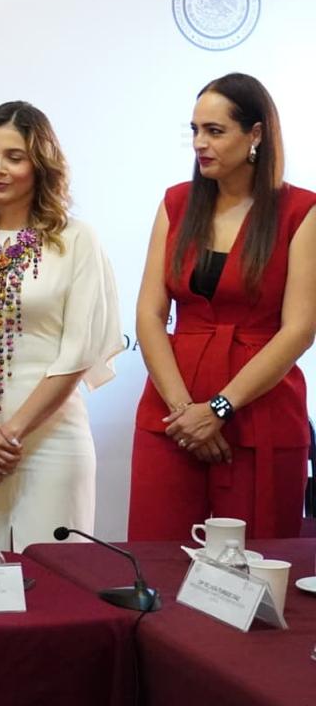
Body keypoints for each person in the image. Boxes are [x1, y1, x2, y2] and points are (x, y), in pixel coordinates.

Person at [129, 73, 315, 540]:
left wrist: (218, 408)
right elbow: (149, 315)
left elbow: (299, 329)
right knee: (157, 559)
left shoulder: (301, 211)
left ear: (256, 134)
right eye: (194, 130)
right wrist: (185, 412)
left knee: (254, 563)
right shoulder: (176, 203)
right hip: (172, 415)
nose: (199, 143)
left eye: (214, 131)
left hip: (260, 412)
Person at [0, 102, 122, 552]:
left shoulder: (76, 240)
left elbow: (79, 351)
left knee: (56, 578)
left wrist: (11, 433)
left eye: (13, 157)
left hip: (54, 441)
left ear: (40, 165)